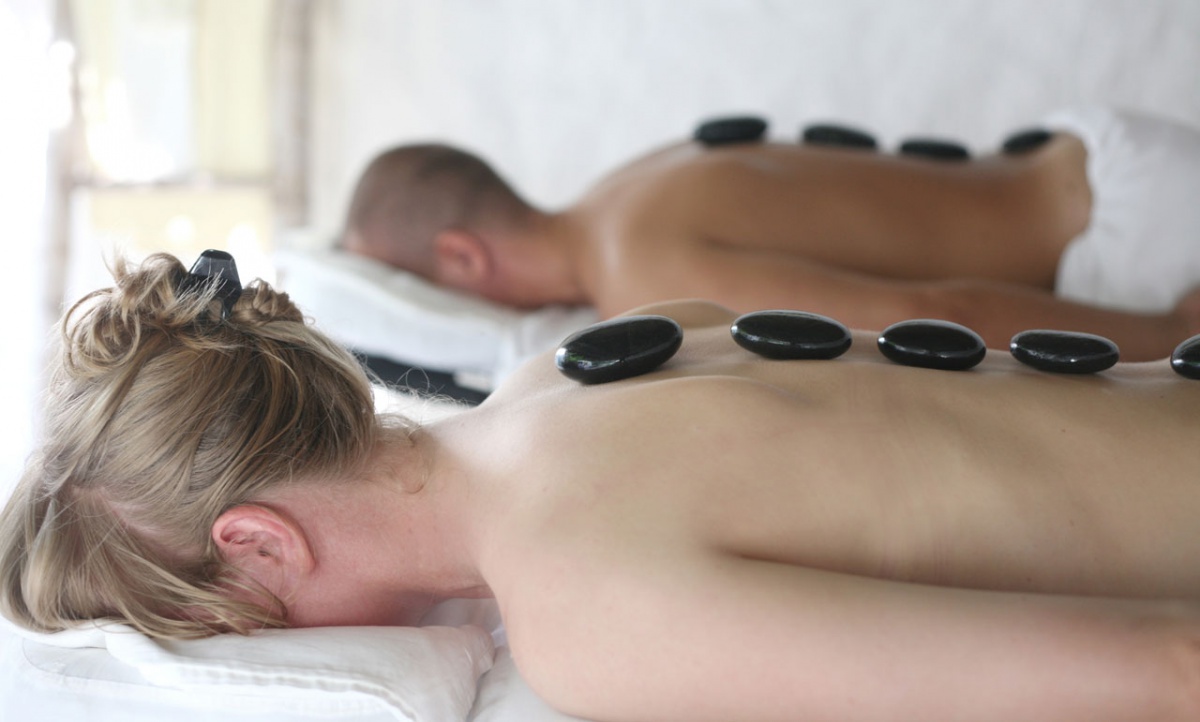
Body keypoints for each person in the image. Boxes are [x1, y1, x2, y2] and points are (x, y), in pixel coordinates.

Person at [3, 252, 1200, 721]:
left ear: (259, 542)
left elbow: (1171, 672)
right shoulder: (567, 368)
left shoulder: (580, 607)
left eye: (231, 630)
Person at [342, 106, 1200, 361]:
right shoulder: (628, 186)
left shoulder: (642, 277)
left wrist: (1169, 334)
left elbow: (931, 314)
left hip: (1137, 247)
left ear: (461, 256)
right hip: (1101, 158)